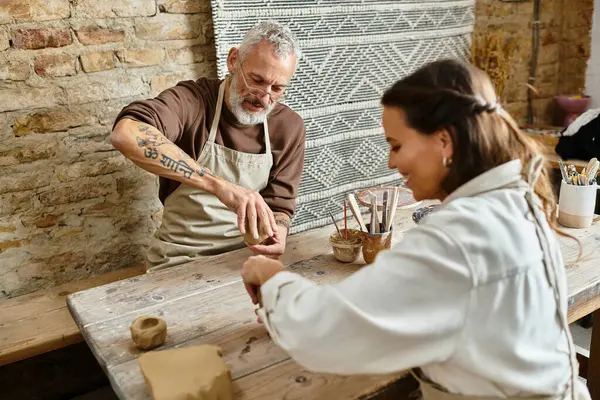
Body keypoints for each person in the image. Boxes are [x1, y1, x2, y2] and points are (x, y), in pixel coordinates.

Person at [240, 59, 591, 399]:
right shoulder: (516, 197)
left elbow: (328, 332)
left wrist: (272, 278)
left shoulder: (461, 236)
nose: (391, 161)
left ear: (444, 142)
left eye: (396, 145)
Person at [111, 21, 305, 272]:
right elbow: (125, 134)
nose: (264, 98)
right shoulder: (193, 101)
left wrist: (278, 233)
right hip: (179, 259)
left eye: (277, 88)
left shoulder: (288, 126)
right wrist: (219, 186)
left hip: (244, 261)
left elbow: (280, 205)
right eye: (257, 80)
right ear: (234, 60)